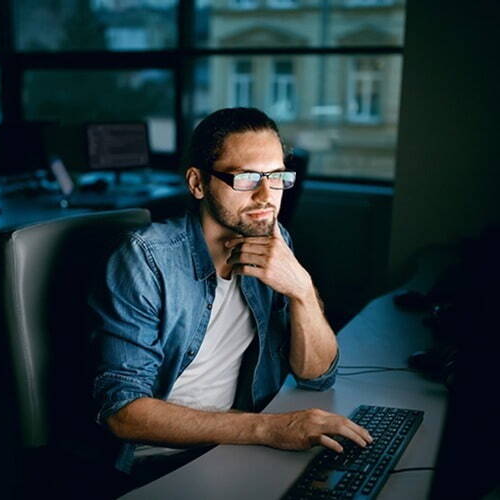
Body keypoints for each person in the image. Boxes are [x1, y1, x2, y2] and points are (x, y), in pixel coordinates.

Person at [88, 107, 372, 486]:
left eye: (276, 177)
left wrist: (302, 290)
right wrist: (268, 429)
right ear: (198, 183)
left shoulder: (273, 239)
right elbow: (122, 413)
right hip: (163, 463)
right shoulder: (146, 259)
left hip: (240, 442)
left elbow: (317, 375)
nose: (265, 195)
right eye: (246, 178)